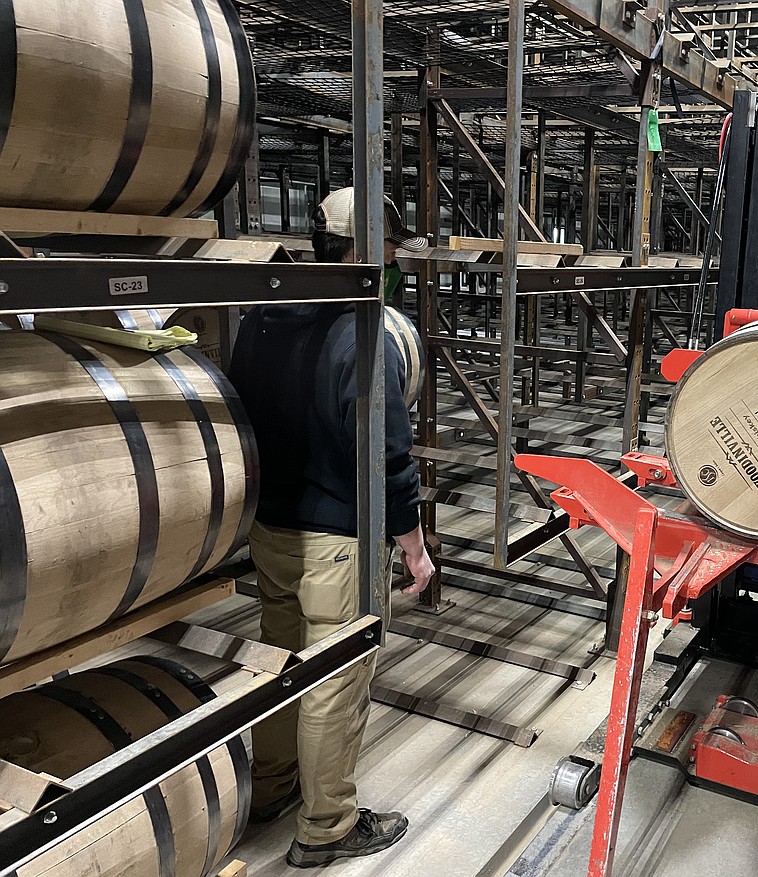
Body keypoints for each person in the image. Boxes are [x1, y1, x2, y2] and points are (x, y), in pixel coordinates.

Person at [229, 187, 436, 868]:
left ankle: (274, 787)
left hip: (271, 528)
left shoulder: (261, 316)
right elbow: (386, 451)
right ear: (366, 248)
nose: (395, 262)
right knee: (333, 683)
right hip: (336, 541)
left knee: (279, 664)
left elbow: (237, 412)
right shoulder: (365, 330)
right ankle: (327, 827)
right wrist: (413, 544)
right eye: (391, 249)